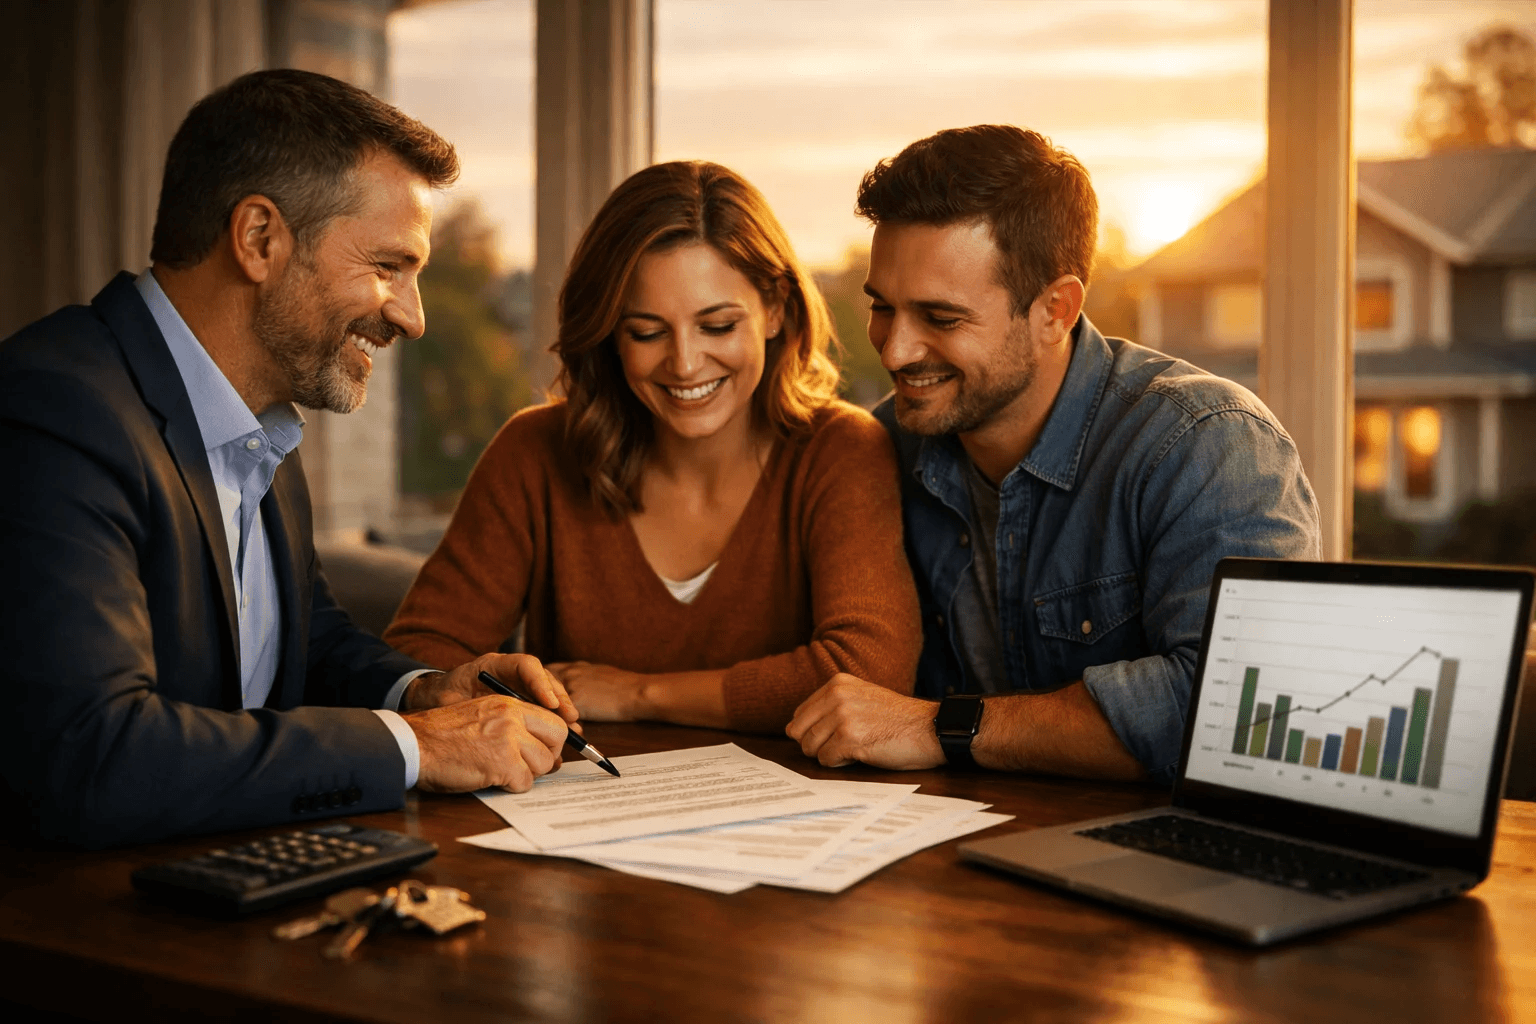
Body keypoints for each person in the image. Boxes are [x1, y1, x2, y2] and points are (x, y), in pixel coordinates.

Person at [0, 69, 578, 849]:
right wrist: (420, 749)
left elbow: (297, 645)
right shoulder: (52, 410)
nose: (412, 318)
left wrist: (425, 695)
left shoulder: (263, 416)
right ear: (260, 239)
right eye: (388, 267)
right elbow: (92, 755)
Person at [786, 125, 1320, 784]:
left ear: (1055, 310)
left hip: (1158, 860)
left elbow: (1242, 712)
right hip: (938, 858)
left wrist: (937, 726)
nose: (894, 351)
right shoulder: (877, 448)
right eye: (881, 308)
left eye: (941, 319)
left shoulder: (1209, 445)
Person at [384, 161, 921, 733]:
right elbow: (417, 660)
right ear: (610, 331)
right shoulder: (534, 452)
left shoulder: (839, 451)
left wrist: (641, 694)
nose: (685, 364)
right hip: (571, 810)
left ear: (775, 310)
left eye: (717, 326)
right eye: (646, 331)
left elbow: (870, 675)